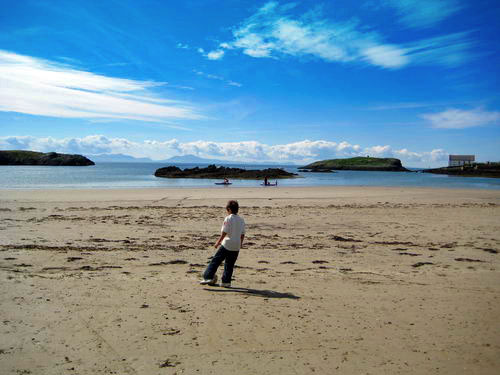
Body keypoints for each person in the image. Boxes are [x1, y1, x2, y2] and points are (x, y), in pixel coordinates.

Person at [200, 200, 245, 288]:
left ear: (229, 209)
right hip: (236, 245)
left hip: (227, 244)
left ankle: (208, 276)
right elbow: (242, 234)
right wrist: (240, 244)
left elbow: (224, 232)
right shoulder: (241, 220)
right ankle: (226, 281)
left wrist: (218, 242)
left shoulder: (228, 218)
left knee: (216, 261)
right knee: (230, 264)